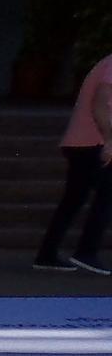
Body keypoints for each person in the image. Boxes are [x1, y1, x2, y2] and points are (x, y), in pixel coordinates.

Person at [33, 50, 112, 275]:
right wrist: (109, 140)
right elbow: (100, 103)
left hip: (81, 141)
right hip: (91, 142)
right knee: (105, 195)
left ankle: (47, 254)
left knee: (74, 199)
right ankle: (86, 251)